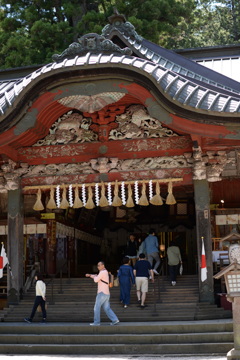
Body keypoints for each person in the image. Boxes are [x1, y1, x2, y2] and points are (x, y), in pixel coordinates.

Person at [85, 261, 119, 326]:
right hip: (106, 293)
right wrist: (90, 275)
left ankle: (96, 322)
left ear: (103, 265)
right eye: (97, 265)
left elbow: (96, 280)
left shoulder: (102, 272)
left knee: (96, 307)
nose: (98, 267)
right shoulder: (105, 272)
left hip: (101, 293)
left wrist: (94, 276)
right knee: (107, 308)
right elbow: (97, 277)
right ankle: (115, 319)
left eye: (99, 265)